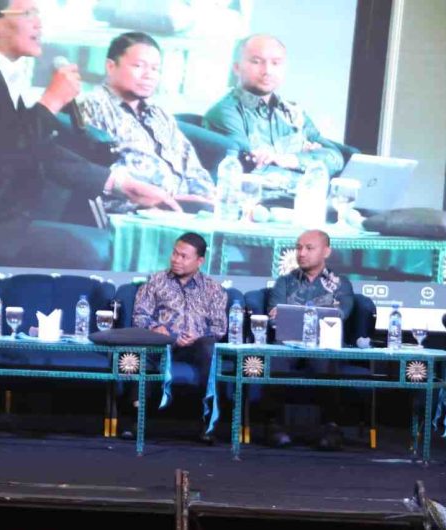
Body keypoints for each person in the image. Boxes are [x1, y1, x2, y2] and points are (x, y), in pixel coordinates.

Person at [0, 0, 181, 267]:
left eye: (38, 13)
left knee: (104, 246)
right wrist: (52, 100)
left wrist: (119, 183)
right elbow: (4, 155)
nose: (39, 23)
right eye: (28, 13)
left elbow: (39, 148)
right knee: (84, 253)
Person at [80, 31, 215, 213]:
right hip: (135, 210)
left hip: (181, 210)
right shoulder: (93, 107)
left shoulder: (159, 114)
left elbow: (191, 164)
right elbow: (108, 174)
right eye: (138, 66)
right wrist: (166, 199)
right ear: (111, 66)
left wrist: (207, 199)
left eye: (155, 69)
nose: (149, 75)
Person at [203, 34, 345, 198]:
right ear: (236, 68)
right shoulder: (226, 112)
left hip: (305, 202)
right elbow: (248, 172)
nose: (267, 71)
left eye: (276, 63)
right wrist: (310, 166)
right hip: (255, 204)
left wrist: (290, 159)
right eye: (256, 62)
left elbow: (335, 158)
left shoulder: (293, 112)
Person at [131, 232, 227, 444]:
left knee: (209, 349)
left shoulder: (213, 289)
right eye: (175, 253)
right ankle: (137, 420)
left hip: (195, 346)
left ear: (199, 261)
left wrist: (199, 336)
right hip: (162, 343)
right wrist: (155, 327)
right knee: (141, 350)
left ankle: (208, 423)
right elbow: (140, 316)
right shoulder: (156, 281)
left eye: (184, 256)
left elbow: (219, 327)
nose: (176, 259)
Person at [266, 229, 355, 450]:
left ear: (326, 251)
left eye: (309, 248)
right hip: (288, 342)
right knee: (276, 358)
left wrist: (295, 313)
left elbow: (340, 315)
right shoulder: (284, 282)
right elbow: (274, 316)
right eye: (298, 248)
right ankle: (275, 426)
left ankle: (331, 427)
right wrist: (318, 312)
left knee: (324, 360)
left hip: (323, 344)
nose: (301, 253)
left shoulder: (340, 284)